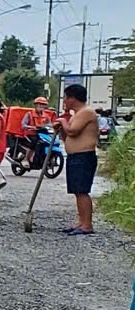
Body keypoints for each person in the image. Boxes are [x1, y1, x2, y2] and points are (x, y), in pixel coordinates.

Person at [59, 83, 101, 235]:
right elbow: (67, 136)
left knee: (82, 191)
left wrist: (63, 122)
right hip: (75, 156)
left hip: (84, 156)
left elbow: (73, 131)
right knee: (77, 191)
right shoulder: (76, 115)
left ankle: (87, 225)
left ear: (73, 98)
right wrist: (61, 126)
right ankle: (81, 222)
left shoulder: (86, 112)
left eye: (66, 98)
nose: (64, 101)